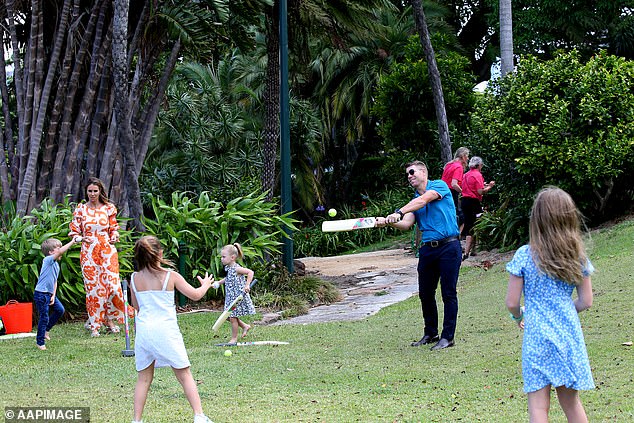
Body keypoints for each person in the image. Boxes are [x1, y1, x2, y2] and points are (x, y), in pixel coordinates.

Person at [505, 187, 594, 423]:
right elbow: (586, 301)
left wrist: (519, 316)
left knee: (538, 407)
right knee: (571, 403)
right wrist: (564, 310)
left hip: (537, 337)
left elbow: (512, 302)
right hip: (568, 336)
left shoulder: (525, 255)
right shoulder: (577, 256)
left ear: (537, 219)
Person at [377, 160, 462, 350]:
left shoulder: (439, 186)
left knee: (448, 293)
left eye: (412, 172)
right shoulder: (414, 201)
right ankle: (431, 333)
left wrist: (398, 211)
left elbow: (423, 200)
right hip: (428, 250)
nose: (409, 176)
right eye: (407, 174)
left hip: (449, 247)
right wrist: (387, 221)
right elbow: (406, 223)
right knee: (425, 293)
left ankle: (448, 337)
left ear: (424, 172)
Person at [130, 235, 215, 423]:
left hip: (144, 331)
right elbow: (195, 295)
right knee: (184, 375)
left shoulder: (134, 278)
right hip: (166, 331)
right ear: (160, 254)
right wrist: (206, 285)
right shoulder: (171, 276)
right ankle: (199, 416)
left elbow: (137, 306)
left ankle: (136, 420)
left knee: (143, 378)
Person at [69, 177, 126, 337]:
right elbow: (73, 232)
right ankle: (95, 325)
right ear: (86, 192)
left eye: (95, 191)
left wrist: (114, 236)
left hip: (107, 251)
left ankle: (110, 320)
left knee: (112, 286)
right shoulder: (81, 209)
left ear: (100, 191)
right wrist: (82, 238)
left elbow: (114, 228)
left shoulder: (109, 208)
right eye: (90, 191)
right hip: (88, 252)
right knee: (94, 289)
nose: (93, 194)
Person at [34, 237, 79, 350]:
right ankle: (40, 342)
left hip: (49, 294)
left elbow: (54, 282)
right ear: (50, 252)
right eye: (58, 248)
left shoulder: (56, 265)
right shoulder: (48, 260)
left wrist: (53, 295)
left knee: (60, 310)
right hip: (41, 293)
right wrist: (73, 241)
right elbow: (60, 251)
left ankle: (46, 330)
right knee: (44, 317)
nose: (60, 250)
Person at [214, 243, 255, 344]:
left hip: (238, 297)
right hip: (231, 297)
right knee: (228, 316)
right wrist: (219, 282)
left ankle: (234, 338)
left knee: (232, 317)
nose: (221, 259)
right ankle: (245, 326)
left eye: (224, 257)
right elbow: (228, 278)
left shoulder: (237, 268)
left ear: (232, 257)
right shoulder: (229, 268)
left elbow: (250, 272)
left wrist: (247, 285)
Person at [460, 156, 495, 260]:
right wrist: (490, 186)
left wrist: (484, 185)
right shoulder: (477, 175)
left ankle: (473, 249)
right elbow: (480, 191)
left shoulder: (466, 174)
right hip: (473, 202)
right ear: (479, 165)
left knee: (470, 224)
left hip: (464, 201)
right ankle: (466, 253)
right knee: (474, 225)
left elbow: (471, 187)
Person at [441, 147, 469, 234]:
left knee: (447, 215)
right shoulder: (458, 167)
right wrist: (463, 192)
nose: (468, 158)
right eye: (467, 156)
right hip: (451, 193)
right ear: (463, 156)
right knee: (461, 217)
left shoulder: (449, 165)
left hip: (442, 192)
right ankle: (457, 236)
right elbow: (454, 184)